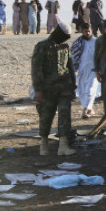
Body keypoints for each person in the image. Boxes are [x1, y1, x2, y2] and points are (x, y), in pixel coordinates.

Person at [31, 21, 76, 156]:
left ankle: (63, 145)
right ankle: (43, 145)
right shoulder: (42, 47)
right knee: (46, 115)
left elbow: (70, 67)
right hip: (47, 88)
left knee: (64, 115)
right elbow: (36, 69)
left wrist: (73, 86)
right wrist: (38, 89)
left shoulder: (65, 47)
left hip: (64, 88)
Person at [70, 21, 100, 118]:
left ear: (91, 31)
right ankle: (90, 108)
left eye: (88, 31)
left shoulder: (96, 42)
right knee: (83, 91)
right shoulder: (78, 43)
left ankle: (85, 110)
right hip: (82, 70)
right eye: (85, 31)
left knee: (91, 89)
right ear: (82, 32)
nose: (87, 33)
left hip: (94, 70)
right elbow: (73, 55)